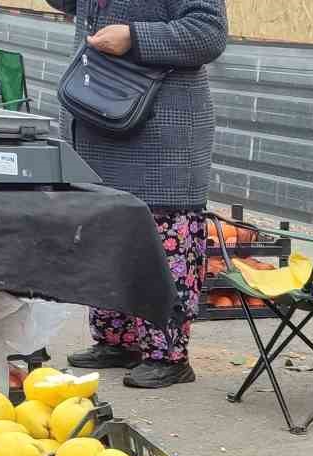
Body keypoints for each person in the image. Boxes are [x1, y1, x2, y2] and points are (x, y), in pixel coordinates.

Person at [54, 0, 227, 388]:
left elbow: (208, 32)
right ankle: (118, 340)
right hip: (102, 110)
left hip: (161, 129)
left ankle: (169, 356)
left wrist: (134, 36)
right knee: (107, 232)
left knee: (162, 238)